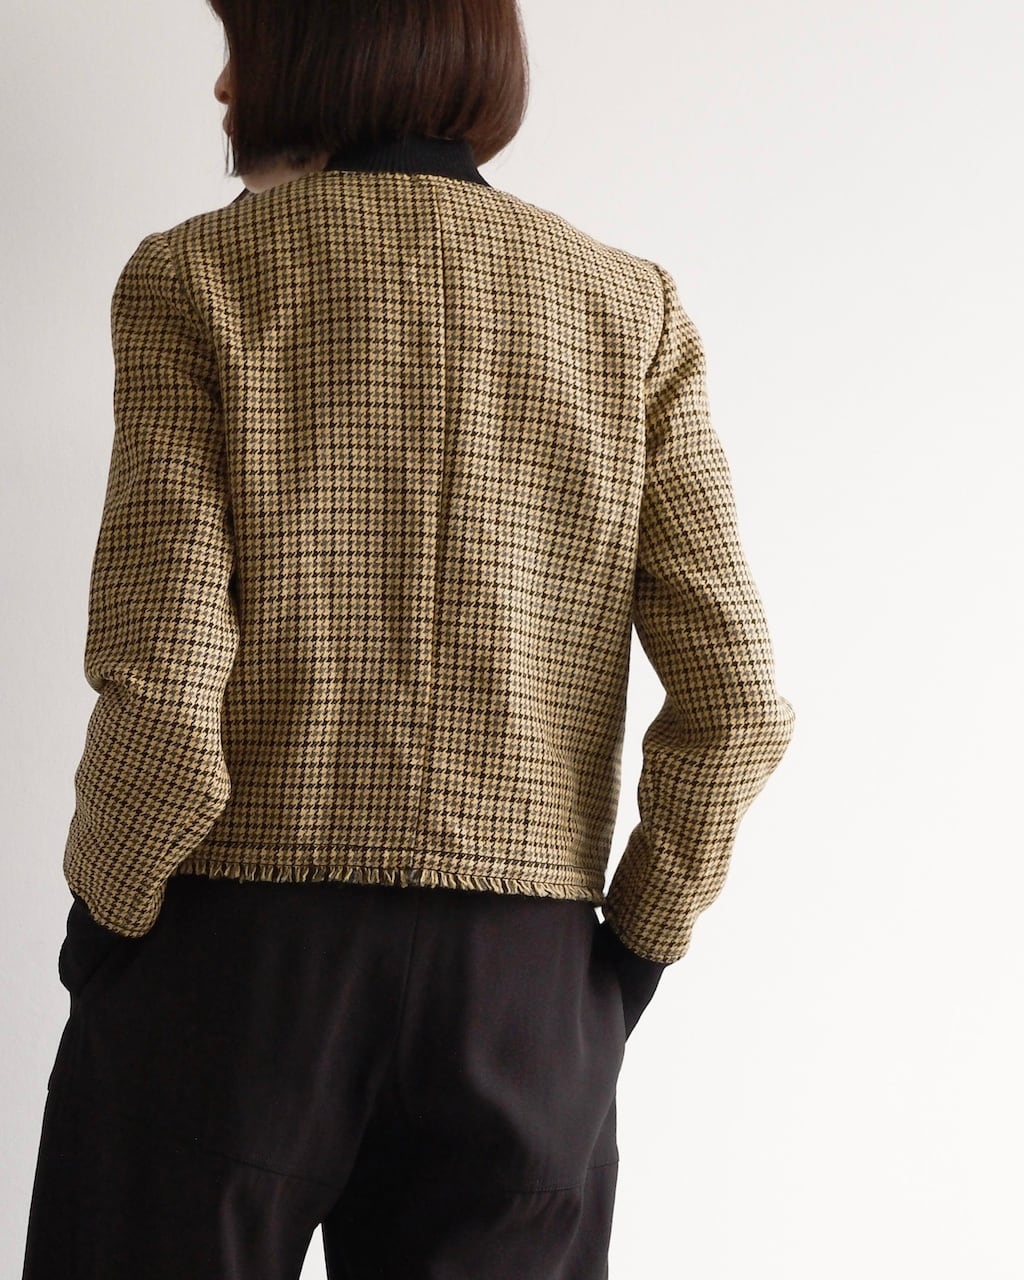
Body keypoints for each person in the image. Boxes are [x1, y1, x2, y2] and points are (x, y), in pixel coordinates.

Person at [20, 1, 795, 1275]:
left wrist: (105, 921)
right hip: (524, 987)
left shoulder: (196, 275)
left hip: (232, 961)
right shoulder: (630, 309)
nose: (222, 87)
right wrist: (624, 955)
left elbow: (163, 680)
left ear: (317, 51)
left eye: (241, 45)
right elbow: (738, 701)